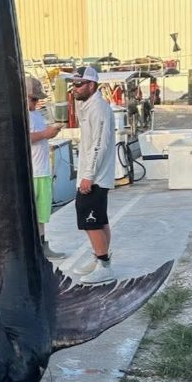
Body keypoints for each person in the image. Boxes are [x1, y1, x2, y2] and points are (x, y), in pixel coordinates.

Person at [71, 65, 116, 284]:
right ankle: (100, 259)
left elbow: (100, 144)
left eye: (79, 84)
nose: (74, 88)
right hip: (93, 174)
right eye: (73, 84)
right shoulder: (87, 105)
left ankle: (104, 264)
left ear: (92, 85)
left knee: (91, 221)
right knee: (100, 218)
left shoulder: (98, 107)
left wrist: (87, 175)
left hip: (95, 175)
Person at [26, 74, 65, 259]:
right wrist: (46, 134)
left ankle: (42, 244)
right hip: (32, 172)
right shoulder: (23, 116)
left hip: (42, 171)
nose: (35, 103)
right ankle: (32, 246)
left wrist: (50, 133)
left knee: (41, 213)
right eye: (33, 99)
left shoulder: (36, 115)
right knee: (31, 214)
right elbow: (27, 138)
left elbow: (39, 136)